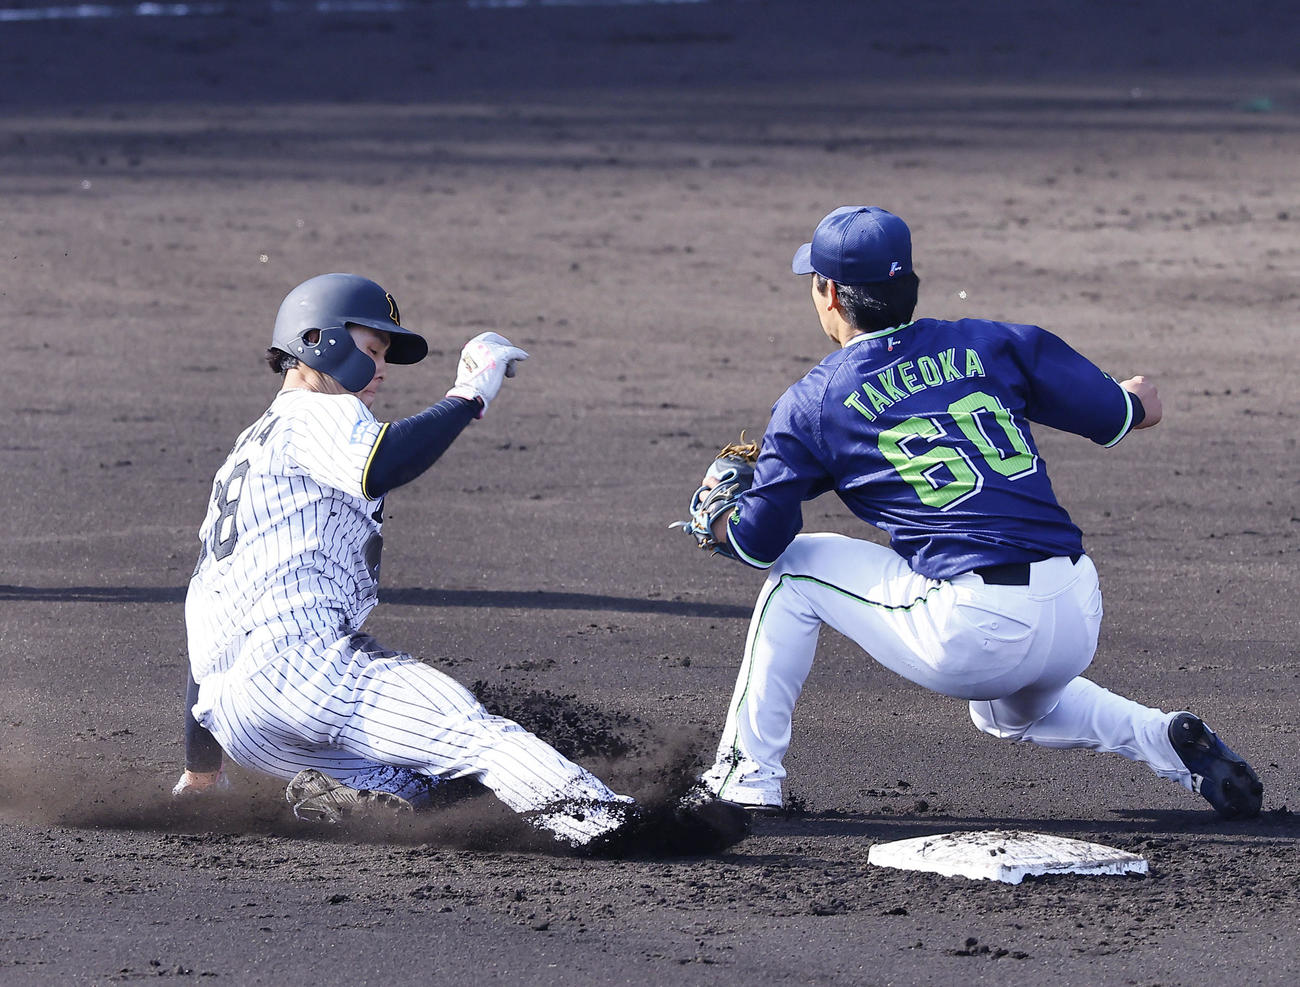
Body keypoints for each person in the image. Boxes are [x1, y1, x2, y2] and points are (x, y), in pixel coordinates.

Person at [692, 206, 1264, 820]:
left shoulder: (814, 401)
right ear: (908, 284)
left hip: (978, 629)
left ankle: (744, 778)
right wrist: (1134, 396)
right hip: (1075, 607)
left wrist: (714, 518)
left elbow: (758, 542)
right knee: (1006, 711)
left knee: (800, 570)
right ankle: (1162, 739)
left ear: (829, 293)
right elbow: (1127, 415)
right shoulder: (995, 342)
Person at [172, 272, 747, 854]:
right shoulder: (312, 412)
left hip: (240, 720)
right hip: (306, 673)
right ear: (320, 341)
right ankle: (611, 827)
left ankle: (351, 803)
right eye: (371, 350)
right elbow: (381, 464)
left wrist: (202, 771)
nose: (380, 370)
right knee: (479, 738)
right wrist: (469, 394)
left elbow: (204, 612)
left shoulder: (246, 452)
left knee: (420, 775)